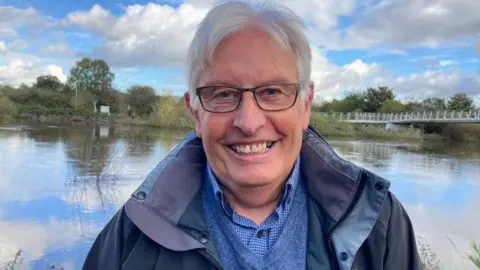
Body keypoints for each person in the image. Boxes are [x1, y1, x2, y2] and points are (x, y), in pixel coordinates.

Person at [83, 1, 421, 269]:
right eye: (223, 94)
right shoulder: (135, 231)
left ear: (305, 107)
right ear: (195, 113)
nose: (248, 121)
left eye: (273, 91)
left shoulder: (379, 222)